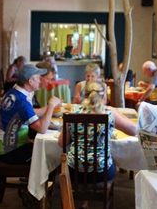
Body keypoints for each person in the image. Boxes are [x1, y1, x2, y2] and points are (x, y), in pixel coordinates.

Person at [58, 80, 137, 209]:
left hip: (75, 170)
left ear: (84, 95)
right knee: (109, 166)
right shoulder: (109, 113)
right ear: (103, 96)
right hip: (101, 170)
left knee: (76, 165)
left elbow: (61, 143)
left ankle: (84, 202)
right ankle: (103, 199)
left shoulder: (73, 112)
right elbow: (134, 130)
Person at [0, 64, 62, 165]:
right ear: (30, 81)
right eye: (39, 78)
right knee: (51, 152)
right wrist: (51, 105)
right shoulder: (22, 102)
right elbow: (42, 128)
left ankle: (34, 179)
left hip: (7, 146)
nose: (40, 81)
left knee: (43, 146)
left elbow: (29, 114)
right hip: (10, 151)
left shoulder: (13, 91)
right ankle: (39, 180)